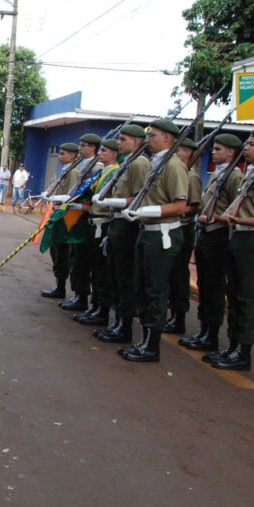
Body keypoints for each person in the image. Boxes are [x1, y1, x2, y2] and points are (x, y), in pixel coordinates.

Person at [202, 128, 254, 370]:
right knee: (235, 295)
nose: (246, 148)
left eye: (252, 144)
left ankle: (243, 352)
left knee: (247, 297)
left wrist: (239, 220)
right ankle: (233, 346)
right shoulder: (253, 173)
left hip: (253, 240)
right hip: (239, 237)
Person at [117, 118, 189, 362]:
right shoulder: (156, 163)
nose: (148, 139)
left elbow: (180, 205)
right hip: (147, 231)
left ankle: (152, 346)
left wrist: (150, 211)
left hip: (162, 233)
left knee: (156, 290)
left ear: (168, 138)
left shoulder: (173, 166)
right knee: (143, 288)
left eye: (153, 135)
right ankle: (145, 340)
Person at [180, 134, 243, 352]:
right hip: (206, 234)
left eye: (218, 149)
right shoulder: (219, 173)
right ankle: (204, 329)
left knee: (214, 287)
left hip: (219, 235)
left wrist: (215, 216)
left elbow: (236, 209)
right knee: (204, 285)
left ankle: (211, 334)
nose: (213, 152)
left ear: (231, 152)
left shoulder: (235, 176)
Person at [94, 124, 149, 344]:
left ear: (136, 141)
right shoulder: (129, 162)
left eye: (123, 139)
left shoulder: (140, 164)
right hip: (117, 223)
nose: (118, 143)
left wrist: (113, 201)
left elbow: (141, 197)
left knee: (125, 278)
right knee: (116, 276)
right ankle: (118, 322)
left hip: (128, 225)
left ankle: (124, 326)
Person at [75, 139, 119, 327]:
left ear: (114, 154)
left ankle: (102, 310)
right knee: (95, 268)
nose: (100, 153)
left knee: (102, 271)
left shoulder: (114, 171)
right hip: (94, 222)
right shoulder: (103, 171)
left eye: (105, 150)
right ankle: (95, 306)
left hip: (103, 223)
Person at [163, 136, 202, 335]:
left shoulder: (191, 176)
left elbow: (194, 206)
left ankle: (179, 318)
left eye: (177, 150)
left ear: (187, 153)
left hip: (183, 229)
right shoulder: (177, 171)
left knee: (178, 275)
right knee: (170, 275)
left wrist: (172, 211)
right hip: (173, 227)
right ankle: (172, 314)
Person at [59, 133, 101, 311]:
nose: (80, 148)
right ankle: (78, 294)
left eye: (83, 145)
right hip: (77, 216)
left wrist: (81, 206)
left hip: (86, 217)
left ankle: (83, 297)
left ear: (93, 148)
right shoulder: (83, 165)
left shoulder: (97, 167)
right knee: (75, 258)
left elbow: (90, 194)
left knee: (83, 261)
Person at [40, 142, 80, 299]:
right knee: (56, 251)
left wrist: (54, 198)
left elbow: (71, 196)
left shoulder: (73, 172)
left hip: (64, 216)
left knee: (61, 252)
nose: (59, 156)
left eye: (63, 153)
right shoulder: (66, 170)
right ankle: (58, 285)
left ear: (73, 155)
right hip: (58, 213)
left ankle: (61, 287)